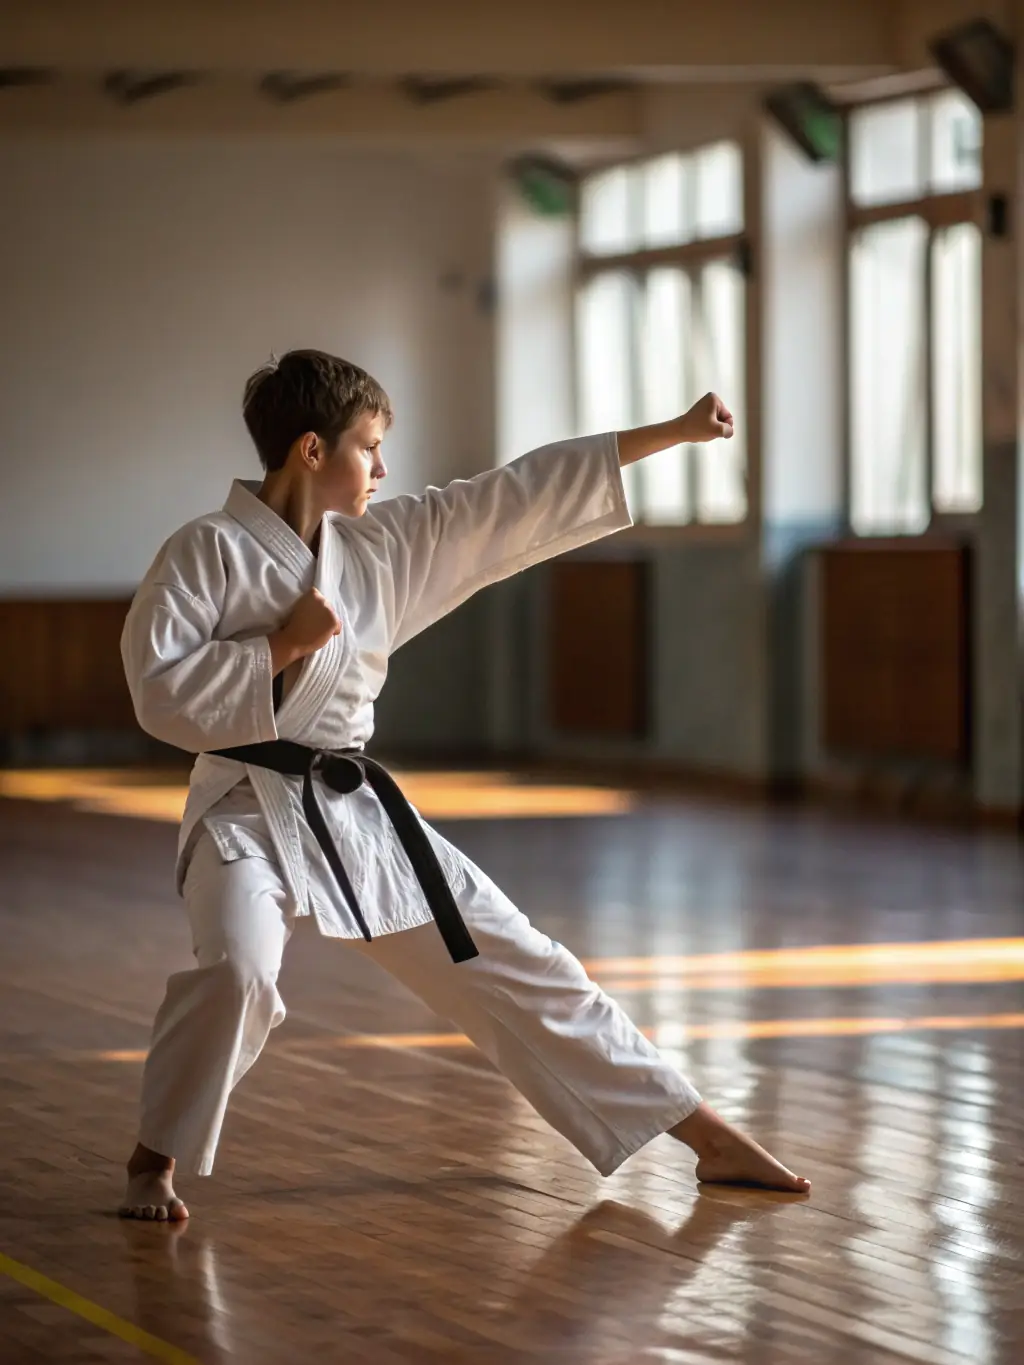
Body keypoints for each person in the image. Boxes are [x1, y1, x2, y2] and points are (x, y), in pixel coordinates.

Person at [118, 349, 810, 1221]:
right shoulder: (204, 551)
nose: (382, 466)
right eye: (369, 446)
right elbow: (156, 689)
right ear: (310, 449)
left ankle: (703, 1133)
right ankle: (156, 1156)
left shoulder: (382, 547)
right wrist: (281, 647)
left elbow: (508, 497)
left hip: (354, 809)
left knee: (520, 959)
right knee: (241, 970)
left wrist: (666, 434)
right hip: (244, 811)